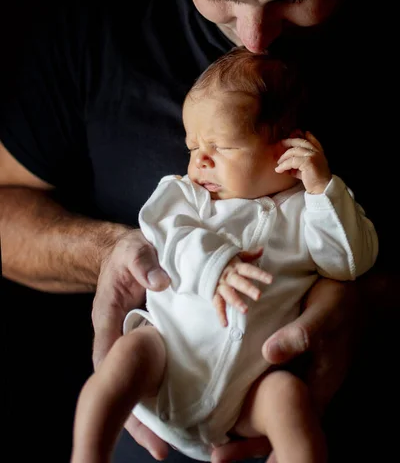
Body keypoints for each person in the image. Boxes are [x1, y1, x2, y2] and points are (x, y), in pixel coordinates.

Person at [1, 0, 397, 462]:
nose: (254, 36)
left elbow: (349, 253)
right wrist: (112, 252)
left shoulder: (303, 202)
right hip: (168, 367)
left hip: (270, 393)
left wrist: (357, 298)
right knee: (119, 373)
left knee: (288, 413)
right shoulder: (95, 24)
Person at [70, 48, 378, 463]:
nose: (200, 160)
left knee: (288, 399)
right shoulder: (186, 197)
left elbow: (348, 262)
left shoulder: (311, 211)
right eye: (193, 146)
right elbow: (165, 235)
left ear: (286, 148)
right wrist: (215, 264)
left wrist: (324, 190)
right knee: (122, 360)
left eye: (218, 145)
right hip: (166, 357)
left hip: (245, 394)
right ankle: (87, 455)